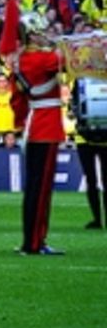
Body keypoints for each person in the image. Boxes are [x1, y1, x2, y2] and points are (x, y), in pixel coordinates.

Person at [1, 0, 66, 255]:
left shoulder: (24, 61)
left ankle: (35, 239)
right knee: (40, 191)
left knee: (36, 188)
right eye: (40, 33)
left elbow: (18, 101)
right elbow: (68, 58)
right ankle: (34, 243)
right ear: (31, 36)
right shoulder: (40, 59)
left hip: (35, 124)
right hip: (45, 126)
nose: (44, 37)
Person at [73, 77, 107, 230]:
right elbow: (75, 105)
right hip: (84, 138)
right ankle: (97, 219)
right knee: (91, 179)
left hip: (92, 137)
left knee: (95, 179)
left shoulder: (81, 80)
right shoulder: (80, 81)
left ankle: (98, 219)